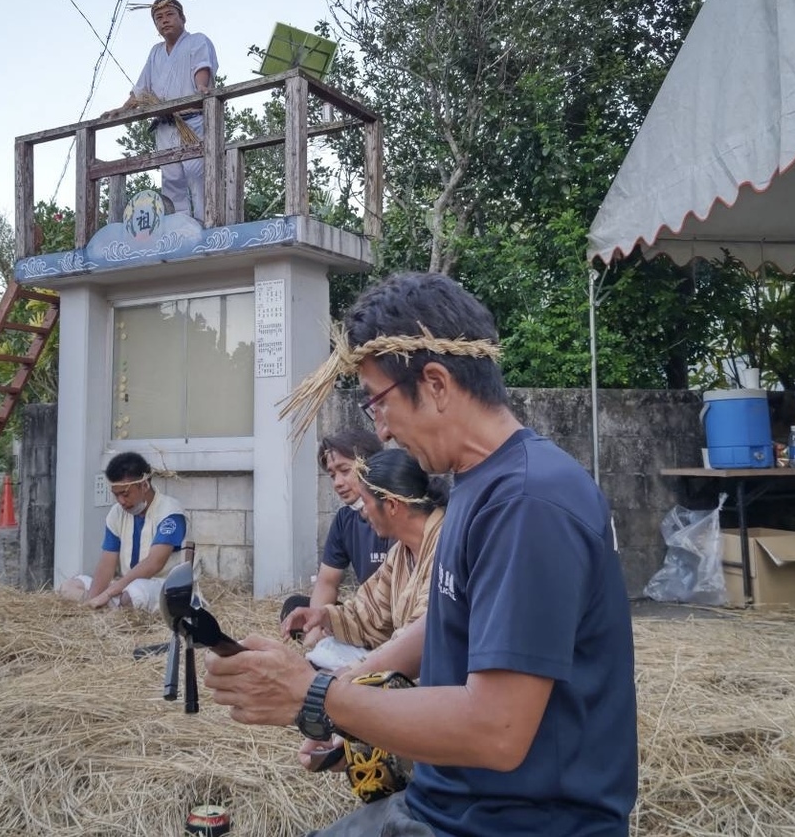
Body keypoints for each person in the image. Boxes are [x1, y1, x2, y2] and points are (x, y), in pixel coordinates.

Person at [205, 272, 638, 836]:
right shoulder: (479, 484)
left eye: (378, 404)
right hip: (444, 805)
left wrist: (316, 696)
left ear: (435, 384)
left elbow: (498, 731)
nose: (382, 432)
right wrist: (348, 692)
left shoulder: (528, 502)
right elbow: (445, 624)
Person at [282, 448, 447, 671]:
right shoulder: (401, 552)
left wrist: (352, 673)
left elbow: (415, 642)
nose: (363, 512)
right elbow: (369, 614)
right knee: (322, 652)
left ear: (391, 505)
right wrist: (323, 616)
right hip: (397, 656)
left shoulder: (445, 549)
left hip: (434, 674)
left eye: (366, 502)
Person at [102, 0, 218, 222]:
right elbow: (142, 90)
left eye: (170, 14)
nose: (164, 20)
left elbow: (201, 67)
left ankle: (206, 222)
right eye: (159, 18)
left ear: (182, 18)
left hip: (192, 119)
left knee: (197, 172)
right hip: (165, 125)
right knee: (171, 177)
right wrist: (123, 109)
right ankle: (178, 226)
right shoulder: (155, 52)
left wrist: (202, 87)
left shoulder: (197, 40)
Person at [279, 429, 390, 631]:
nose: (337, 483)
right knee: (295, 610)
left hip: (395, 616)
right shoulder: (345, 518)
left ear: (369, 466)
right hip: (366, 613)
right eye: (332, 475)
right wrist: (315, 626)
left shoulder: (395, 512)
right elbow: (327, 582)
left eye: (345, 471)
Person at [58, 452, 187, 613]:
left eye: (125, 494)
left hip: (164, 586)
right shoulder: (116, 513)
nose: (121, 501)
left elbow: (154, 563)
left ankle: (111, 605)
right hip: (125, 584)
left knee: (132, 595)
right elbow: (107, 563)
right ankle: (107, 607)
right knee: (68, 587)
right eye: (116, 495)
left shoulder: (170, 513)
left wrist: (108, 594)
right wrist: (92, 599)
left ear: (144, 485)